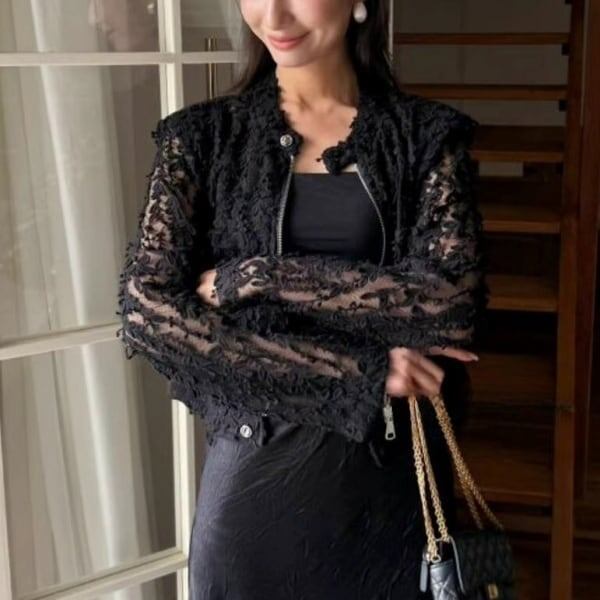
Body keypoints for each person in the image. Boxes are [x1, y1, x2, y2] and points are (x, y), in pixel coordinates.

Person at [116, 1, 490, 598]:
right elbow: (149, 314)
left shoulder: (424, 137)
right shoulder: (202, 138)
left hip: (389, 494)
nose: (274, 16)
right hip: (253, 495)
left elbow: (446, 304)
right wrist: (361, 371)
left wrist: (256, 276)